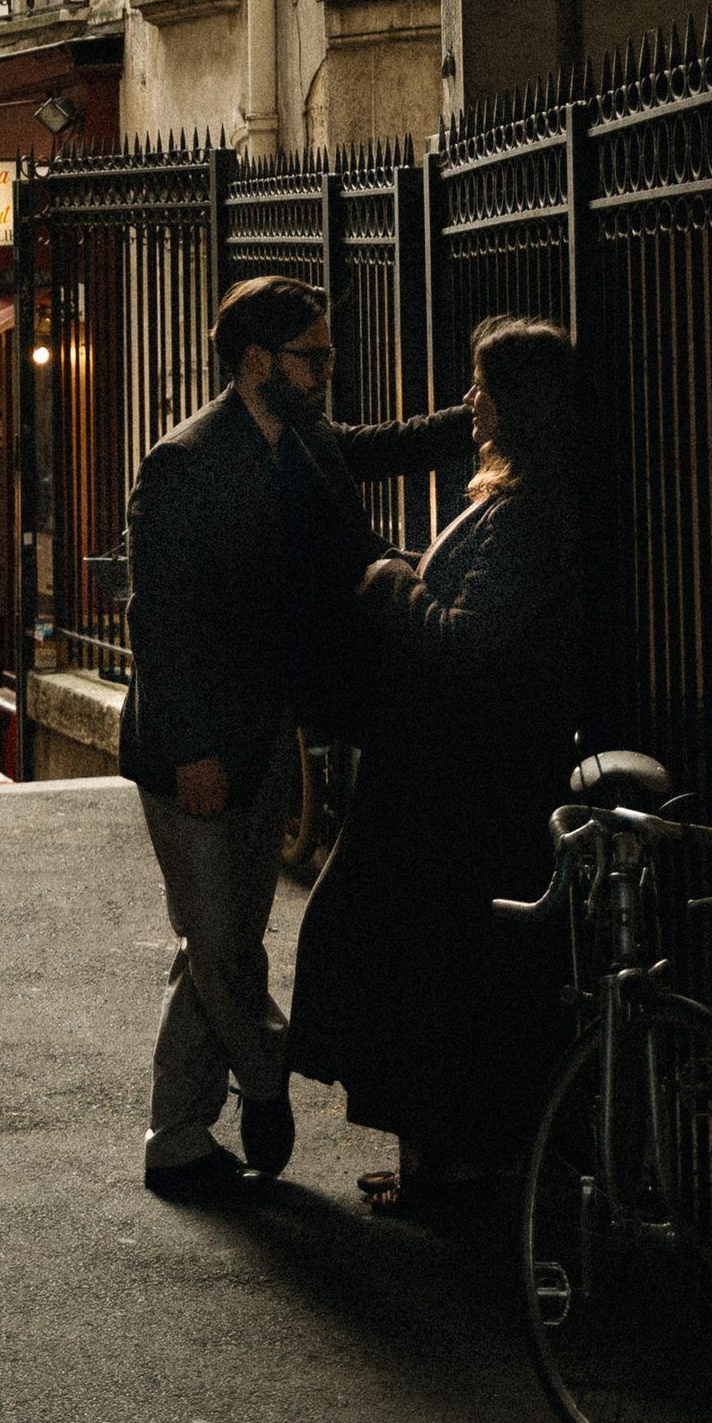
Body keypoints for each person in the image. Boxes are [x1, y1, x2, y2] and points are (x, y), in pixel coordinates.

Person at [121, 274, 464, 1204]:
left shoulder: (305, 442)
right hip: (190, 750)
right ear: (256, 360)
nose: (327, 374)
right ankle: (264, 1077)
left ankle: (178, 1138)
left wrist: (474, 416)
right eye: (313, 357)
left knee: (223, 936)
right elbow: (157, 624)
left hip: (269, 727)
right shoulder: (184, 461)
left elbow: (376, 448)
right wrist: (191, 749)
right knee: (219, 938)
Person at [280, 316, 583, 1213]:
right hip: (440, 775)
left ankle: (447, 1166)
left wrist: (391, 582)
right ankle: (433, 1158)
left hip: (462, 786)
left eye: (483, 387)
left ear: (516, 403)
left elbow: (468, 637)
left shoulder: (529, 512)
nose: (469, 402)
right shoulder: (513, 491)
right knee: (415, 960)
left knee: (429, 967)